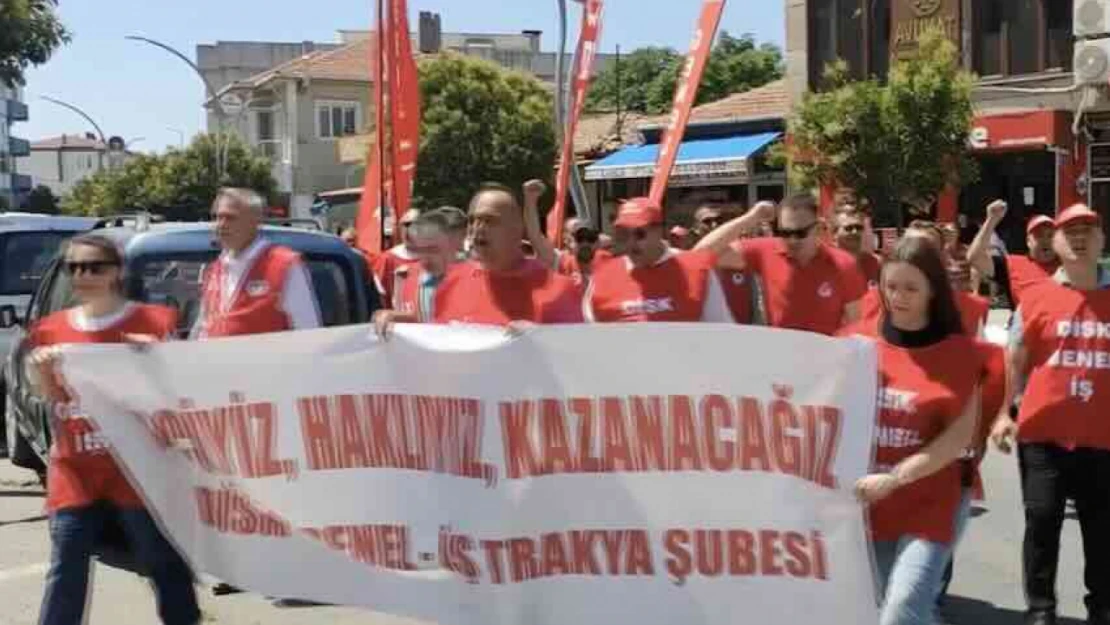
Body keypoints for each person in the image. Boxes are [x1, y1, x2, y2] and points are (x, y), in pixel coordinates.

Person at [27, 234, 201, 625]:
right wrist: (41, 371)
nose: (84, 275)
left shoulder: (153, 323)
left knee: (162, 562)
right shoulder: (51, 329)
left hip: (137, 467)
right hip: (76, 468)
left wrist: (152, 360)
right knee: (66, 565)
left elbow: (174, 392)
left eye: (94, 266)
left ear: (117, 272)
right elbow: (54, 399)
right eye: (75, 268)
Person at [843, 236, 984, 625]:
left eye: (910, 288)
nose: (898, 297)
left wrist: (894, 478)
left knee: (902, 610)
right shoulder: (855, 345)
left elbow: (957, 440)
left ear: (932, 293)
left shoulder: (959, 353)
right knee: (897, 611)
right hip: (874, 503)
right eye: (890, 286)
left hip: (933, 500)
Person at [991, 204, 1110, 625]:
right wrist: (1005, 412)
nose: (1079, 238)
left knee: (1102, 533)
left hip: (1103, 440)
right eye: (1070, 231)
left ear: (1101, 240)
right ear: (1056, 242)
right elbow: (1015, 358)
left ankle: (1102, 608)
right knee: (1041, 522)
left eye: (1088, 231)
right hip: (1043, 435)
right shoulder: (1037, 298)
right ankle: (1041, 610)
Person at [696, 193, 867, 335]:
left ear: (818, 228)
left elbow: (856, 326)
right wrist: (751, 217)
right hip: (781, 361)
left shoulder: (844, 264)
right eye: (785, 232)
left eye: (799, 233)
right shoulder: (766, 250)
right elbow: (700, 255)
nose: (792, 240)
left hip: (826, 363)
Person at [434, 184, 583, 325]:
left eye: (489, 220)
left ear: (517, 228)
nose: (477, 228)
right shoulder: (450, 283)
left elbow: (573, 348)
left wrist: (537, 340)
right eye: (472, 220)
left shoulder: (559, 291)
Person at [191, 188, 321, 339]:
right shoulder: (214, 269)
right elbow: (203, 329)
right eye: (217, 217)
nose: (221, 224)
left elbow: (308, 331)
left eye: (230, 217)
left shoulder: (284, 265)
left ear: (255, 221)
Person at [583, 197, 734, 323]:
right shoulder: (602, 277)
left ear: (659, 231)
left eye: (639, 234)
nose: (631, 243)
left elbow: (721, 332)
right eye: (623, 235)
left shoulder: (698, 270)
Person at [373, 210, 459, 332]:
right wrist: (389, 315)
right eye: (406, 224)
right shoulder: (390, 260)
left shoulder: (445, 263)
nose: (410, 229)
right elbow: (383, 297)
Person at [967, 200, 1059, 309]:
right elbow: (975, 257)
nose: (1045, 240)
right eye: (1039, 236)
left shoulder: (1069, 267)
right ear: (1028, 241)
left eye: (1050, 236)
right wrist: (991, 220)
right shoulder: (1012, 265)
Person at [521, 179, 609, 284]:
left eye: (590, 237)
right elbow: (535, 235)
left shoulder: (607, 262)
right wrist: (530, 199)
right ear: (566, 240)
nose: (585, 243)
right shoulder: (559, 261)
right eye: (579, 237)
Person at [371, 208, 422, 306]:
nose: (408, 230)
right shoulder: (387, 259)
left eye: (414, 225)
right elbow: (380, 295)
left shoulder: (432, 257)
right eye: (405, 225)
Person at [833, 207, 882, 287]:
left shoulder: (875, 263)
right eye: (848, 228)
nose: (854, 232)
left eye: (858, 228)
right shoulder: (826, 266)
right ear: (834, 234)